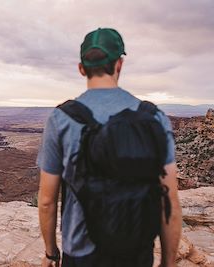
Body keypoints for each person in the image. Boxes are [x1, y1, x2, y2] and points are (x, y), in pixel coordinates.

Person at [37, 28, 182, 267]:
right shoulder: (154, 118)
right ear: (119, 64)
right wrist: (168, 263)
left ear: (81, 68)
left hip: (81, 254)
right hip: (136, 253)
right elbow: (171, 202)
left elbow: (46, 200)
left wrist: (51, 253)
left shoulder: (61, 119)